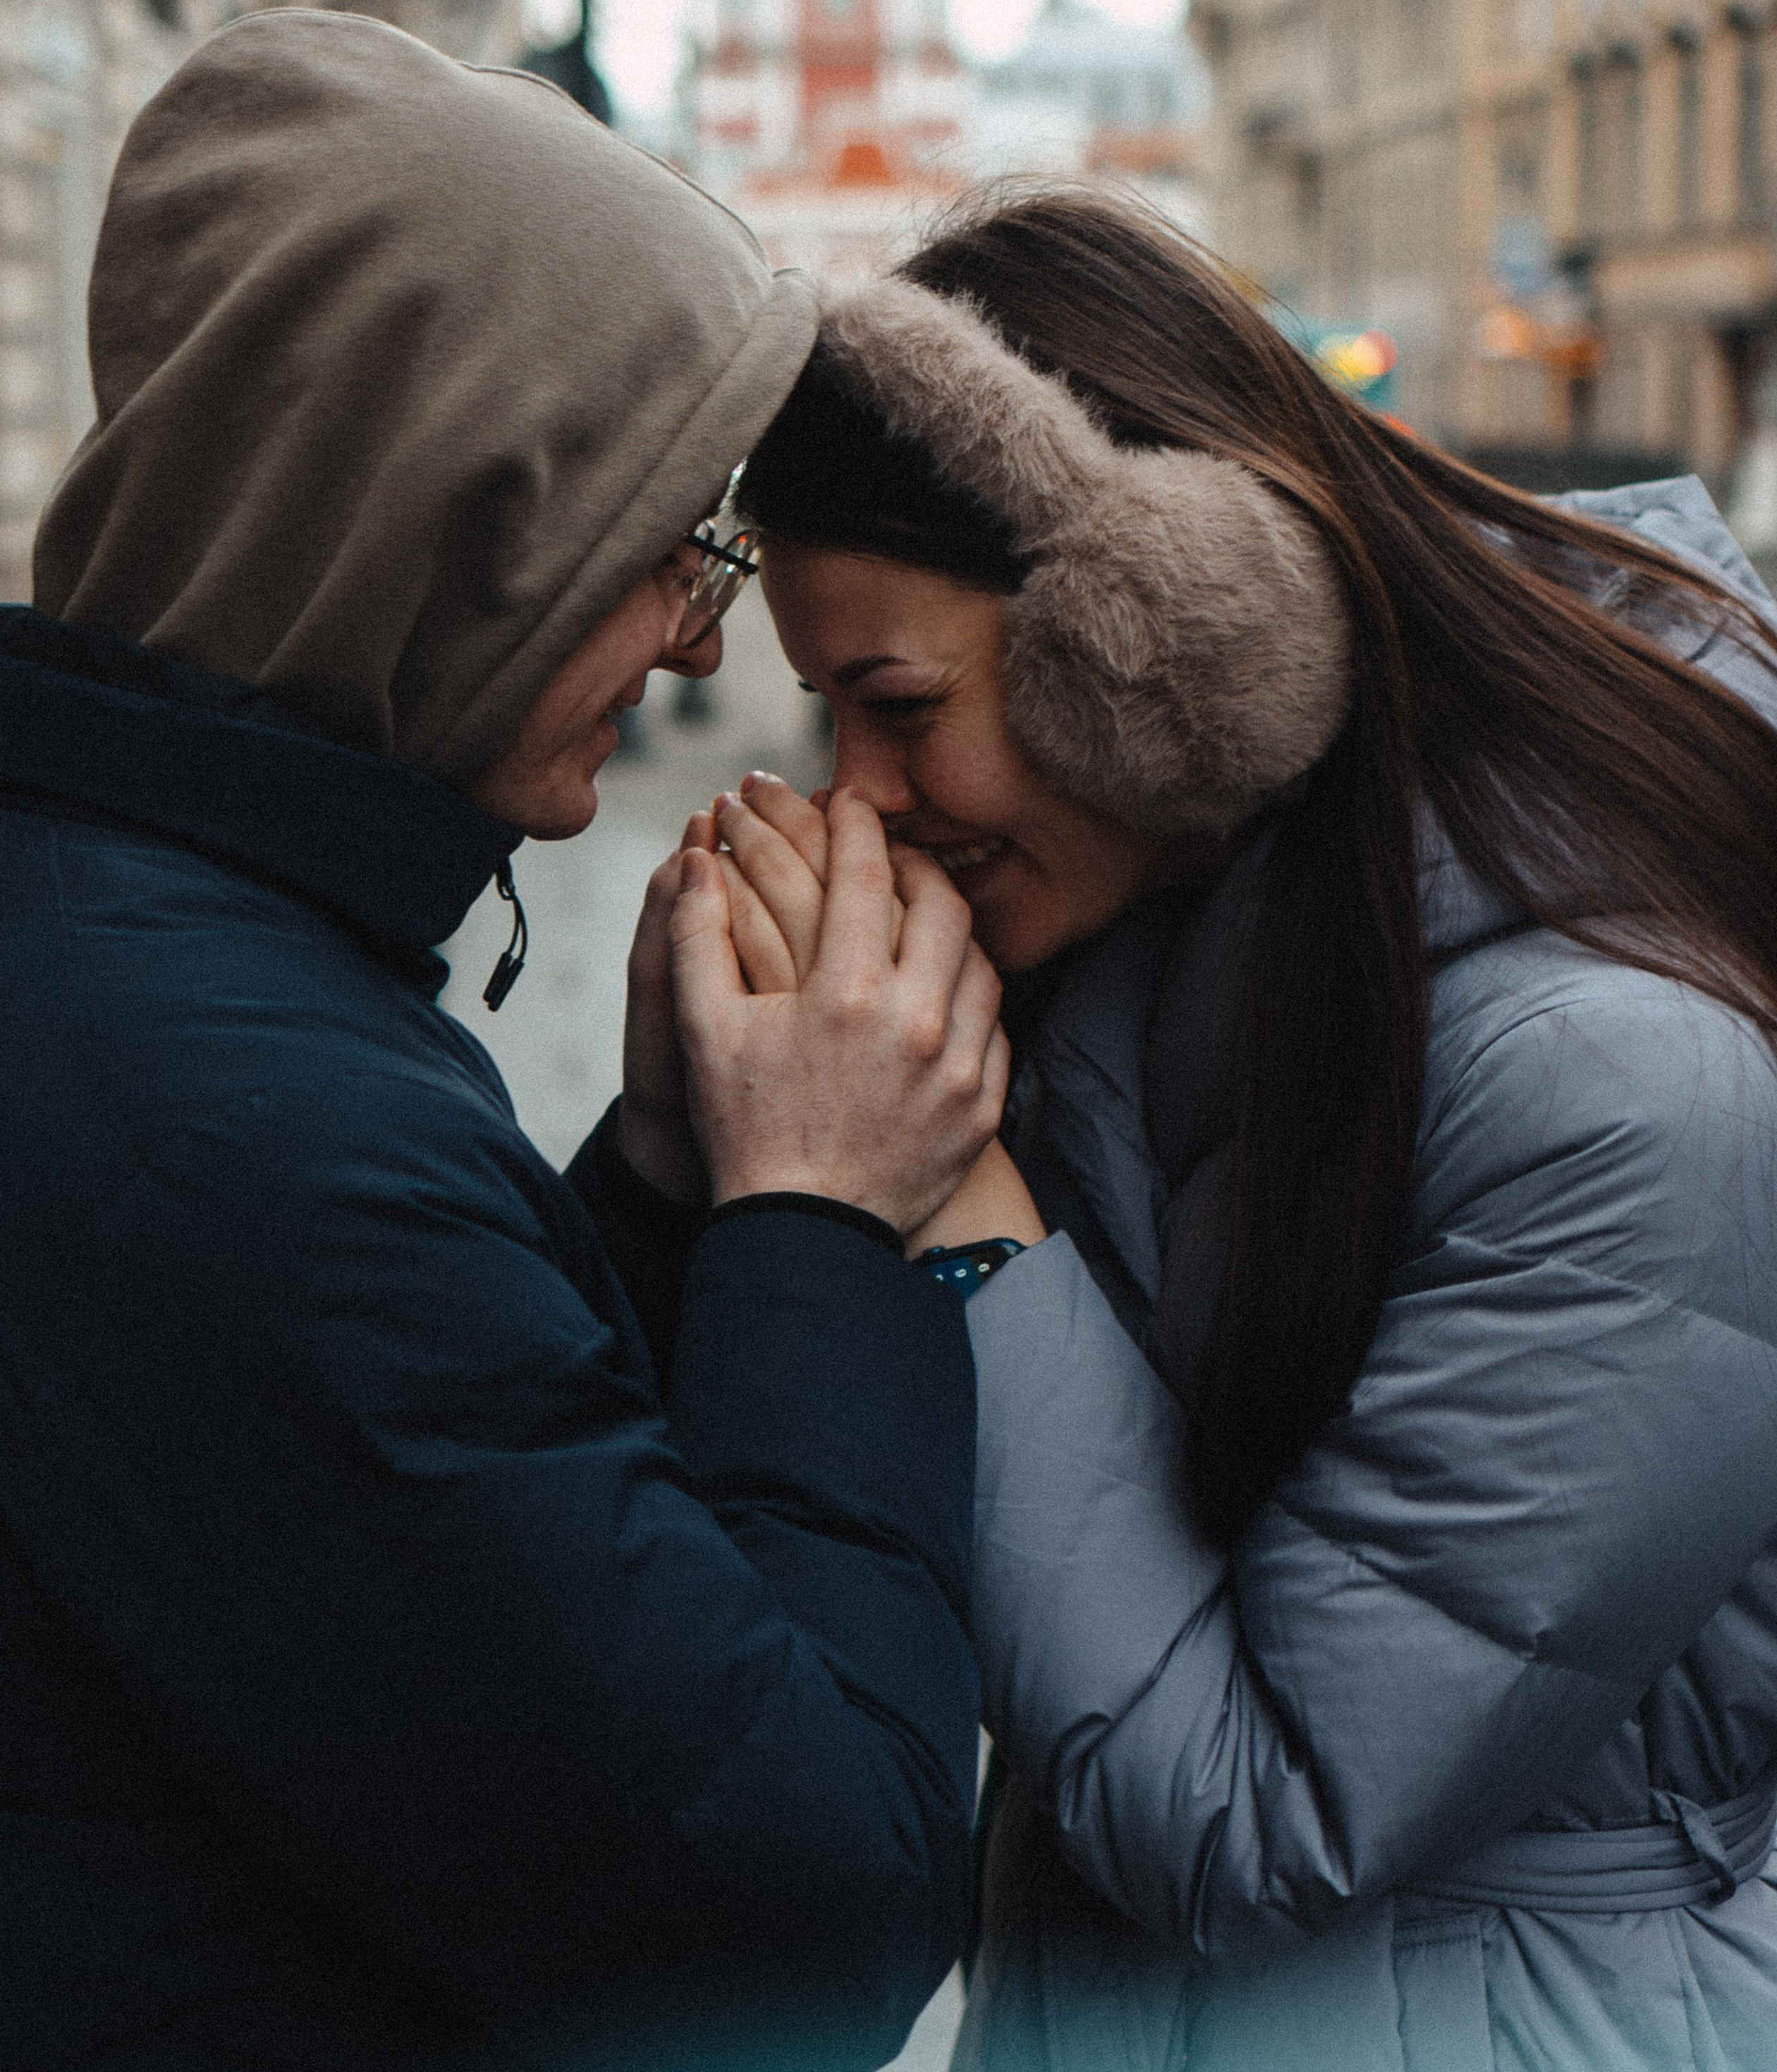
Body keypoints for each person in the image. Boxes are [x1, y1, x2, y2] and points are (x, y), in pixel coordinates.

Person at [0, 8, 1009, 2072]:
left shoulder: (137, 923)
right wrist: (822, 1216)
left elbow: (417, 1547)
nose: (705, 643)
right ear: (467, 530)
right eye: (669, 549)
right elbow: (795, 1924)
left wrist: (649, 1177)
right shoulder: (228, 1103)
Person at [705, 187, 1777, 2070]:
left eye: (897, 709)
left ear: (1169, 644)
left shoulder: (1626, 1101)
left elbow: (1257, 1812)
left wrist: (948, 1197)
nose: (856, 803)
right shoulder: (1156, 923)